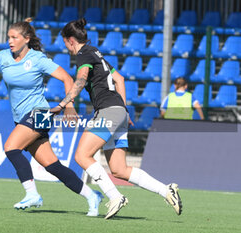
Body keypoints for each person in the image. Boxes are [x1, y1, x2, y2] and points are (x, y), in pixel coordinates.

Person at [0, 18, 104, 216]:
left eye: (14, 37)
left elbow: (67, 78)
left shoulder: (37, 59)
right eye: (8, 37)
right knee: (52, 166)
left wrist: (69, 105)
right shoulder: (2, 57)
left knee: (11, 148)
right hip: (21, 117)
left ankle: (32, 194)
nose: (10, 41)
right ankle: (91, 195)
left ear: (26, 39)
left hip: (39, 113)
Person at [51, 18, 183, 219]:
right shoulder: (97, 53)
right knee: (119, 169)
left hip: (108, 111)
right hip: (118, 111)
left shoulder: (83, 54)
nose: (67, 49)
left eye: (65, 44)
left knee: (81, 156)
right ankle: (166, 190)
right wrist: (125, 111)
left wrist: (63, 104)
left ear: (70, 40)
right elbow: (119, 79)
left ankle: (115, 196)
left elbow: (81, 79)